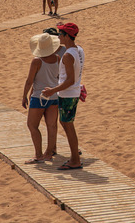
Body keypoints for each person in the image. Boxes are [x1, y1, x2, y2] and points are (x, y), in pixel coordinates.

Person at [42, 23, 84, 170]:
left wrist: (52, 90)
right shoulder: (79, 50)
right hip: (73, 93)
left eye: (60, 34)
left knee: (68, 125)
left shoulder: (67, 55)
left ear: (67, 36)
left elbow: (70, 80)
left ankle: (75, 160)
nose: (58, 36)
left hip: (68, 94)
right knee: (67, 124)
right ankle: (74, 158)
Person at [22, 32, 61, 163]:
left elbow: (29, 81)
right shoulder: (57, 59)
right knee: (52, 126)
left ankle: (38, 154)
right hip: (54, 96)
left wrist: (24, 96)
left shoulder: (37, 61)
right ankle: (49, 153)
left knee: (32, 125)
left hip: (39, 97)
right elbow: (59, 78)